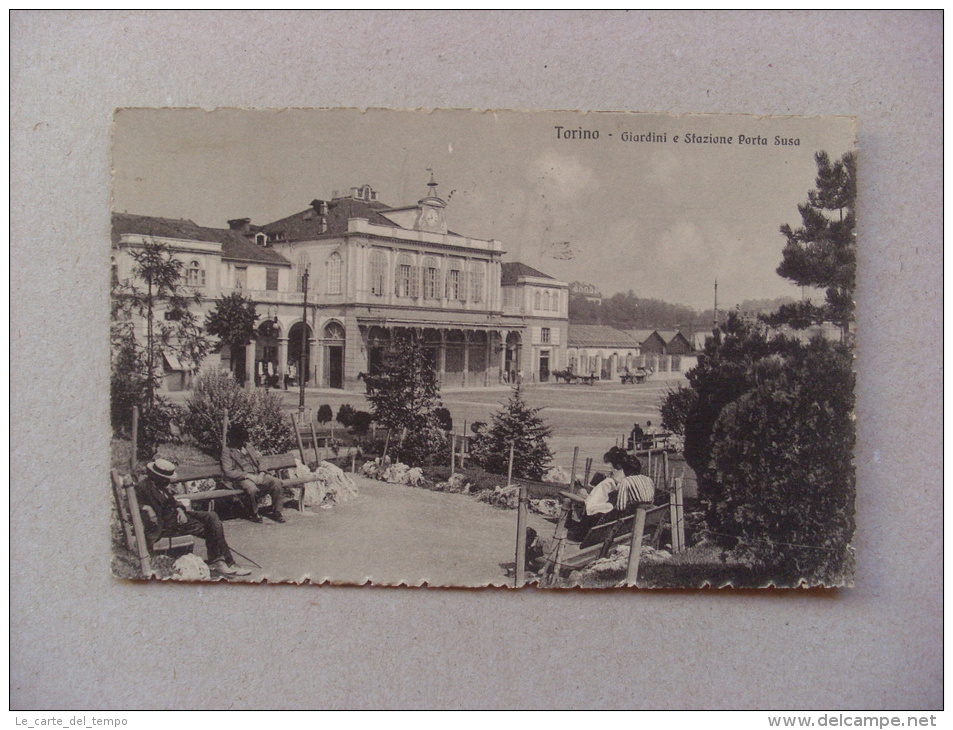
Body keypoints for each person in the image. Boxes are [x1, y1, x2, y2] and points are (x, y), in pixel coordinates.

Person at [135, 458, 250, 576]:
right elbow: (128, 504)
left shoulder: (161, 484)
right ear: (157, 475)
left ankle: (220, 562)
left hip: (177, 516)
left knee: (212, 516)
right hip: (164, 524)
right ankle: (226, 563)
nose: (168, 481)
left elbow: (173, 500)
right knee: (214, 529)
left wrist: (180, 509)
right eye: (165, 478)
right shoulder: (142, 487)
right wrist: (146, 508)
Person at [568, 447, 655, 541]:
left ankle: (582, 533)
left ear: (626, 469)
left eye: (619, 469)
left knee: (595, 508)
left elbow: (620, 508)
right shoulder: (648, 479)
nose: (614, 471)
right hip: (646, 514)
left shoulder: (626, 482)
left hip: (629, 518)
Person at [221, 423, 287, 523]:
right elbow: (228, 471)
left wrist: (261, 473)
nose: (242, 441)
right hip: (242, 478)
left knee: (276, 482)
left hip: (257, 474)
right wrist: (247, 475)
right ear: (233, 438)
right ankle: (254, 513)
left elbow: (261, 460)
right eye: (239, 439)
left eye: (243, 439)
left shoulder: (248, 447)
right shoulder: (227, 451)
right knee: (252, 489)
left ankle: (277, 512)